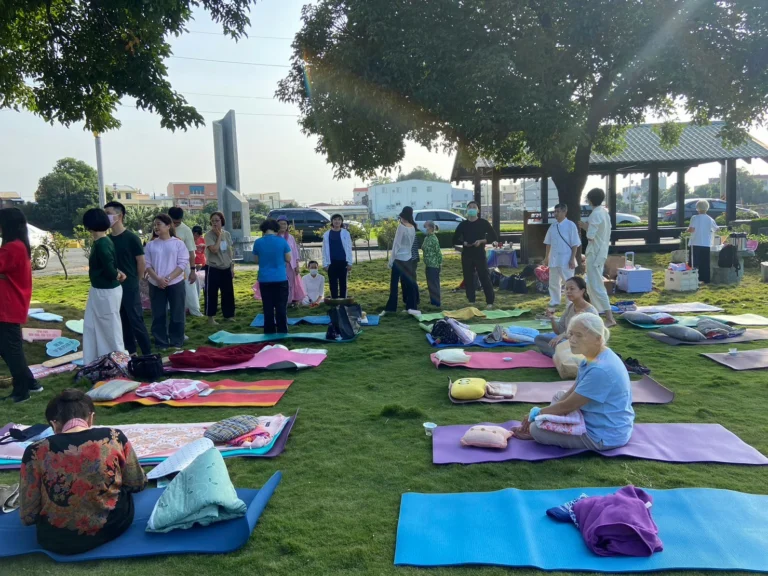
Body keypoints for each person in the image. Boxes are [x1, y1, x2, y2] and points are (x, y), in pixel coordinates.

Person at [19, 389, 146, 555]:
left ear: (54, 424)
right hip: (113, 526)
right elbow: (137, 483)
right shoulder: (113, 437)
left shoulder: (35, 451)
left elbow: (28, 514)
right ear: (91, 417)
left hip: (56, 539)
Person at [514, 312, 634, 450]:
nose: (572, 340)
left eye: (579, 335)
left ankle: (537, 431)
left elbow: (568, 406)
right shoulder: (592, 356)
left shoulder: (601, 370)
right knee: (560, 396)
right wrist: (544, 416)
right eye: (570, 334)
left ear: (598, 338)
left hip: (603, 435)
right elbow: (573, 390)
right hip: (600, 420)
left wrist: (536, 415)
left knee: (536, 429)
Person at [0, 208, 43, 403]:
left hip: (7, 306)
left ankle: (21, 390)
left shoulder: (13, 248)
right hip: (9, 304)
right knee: (8, 348)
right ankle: (30, 382)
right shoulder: (17, 246)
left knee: (11, 349)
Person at [104, 202, 152, 357]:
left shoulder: (131, 238)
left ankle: (147, 354)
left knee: (136, 320)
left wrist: (135, 282)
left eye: (109, 213)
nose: (106, 217)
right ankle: (131, 353)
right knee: (121, 322)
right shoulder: (107, 239)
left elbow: (141, 262)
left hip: (130, 286)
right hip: (113, 287)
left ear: (119, 216)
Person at [82, 208, 126, 364]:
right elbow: (109, 265)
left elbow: (108, 267)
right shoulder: (102, 241)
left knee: (110, 328)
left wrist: (116, 274)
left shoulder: (102, 243)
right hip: (101, 289)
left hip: (106, 291)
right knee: (93, 325)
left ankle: (117, 361)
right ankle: (98, 359)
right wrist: (118, 273)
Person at [143, 214, 189, 350]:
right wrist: (158, 279)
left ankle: (176, 341)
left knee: (177, 313)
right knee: (158, 313)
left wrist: (168, 278)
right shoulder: (151, 245)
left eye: (159, 224)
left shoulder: (178, 243)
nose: (156, 227)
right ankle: (161, 342)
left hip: (175, 283)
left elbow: (182, 264)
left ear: (168, 226)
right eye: (155, 224)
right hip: (156, 283)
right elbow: (147, 264)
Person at [578, 188, 616, 327]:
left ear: (590, 199)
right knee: (592, 285)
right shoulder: (604, 212)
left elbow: (590, 235)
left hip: (595, 252)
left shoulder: (595, 214)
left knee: (596, 285)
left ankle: (610, 318)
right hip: (601, 251)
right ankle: (595, 314)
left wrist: (584, 226)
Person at [534, 276, 598, 357]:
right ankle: (562, 356)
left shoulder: (590, 311)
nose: (568, 292)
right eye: (566, 289)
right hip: (567, 342)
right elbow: (559, 331)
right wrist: (552, 318)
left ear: (582, 291)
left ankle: (562, 356)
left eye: (572, 289)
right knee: (539, 338)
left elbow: (588, 336)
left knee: (560, 344)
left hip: (581, 344)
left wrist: (564, 335)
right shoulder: (571, 307)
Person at [453, 201, 496, 308]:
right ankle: (471, 300)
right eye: (470, 207)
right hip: (467, 254)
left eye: (474, 207)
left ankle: (490, 302)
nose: (472, 209)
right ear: (467, 210)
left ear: (478, 210)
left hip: (479, 253)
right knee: (468, 278)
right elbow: (454, 239)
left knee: (484, 276)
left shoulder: (483, 223)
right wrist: (464, 243)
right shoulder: (463, 224)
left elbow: (494, 237)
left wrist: (482, 241)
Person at [252, 219, 292, 334]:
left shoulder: (258, 242)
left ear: (263, 229)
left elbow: (256, 259)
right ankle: (282, 330)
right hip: (280, 278)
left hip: (265, 279)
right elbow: (288, 258)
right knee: (281, 307)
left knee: (267, 307)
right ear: (276, 228)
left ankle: (269, 331)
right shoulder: (282, 241)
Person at [543, 203, 580, 309]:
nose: (556, 214)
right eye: (555, 211)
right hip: (554, 258)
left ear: (564, 212)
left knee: (568, 281)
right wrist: (547, 257)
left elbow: (575, 244)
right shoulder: (553, 226)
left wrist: (572, 258)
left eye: (558, 211)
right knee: (553, 282)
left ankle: (570, 302)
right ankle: (554, 300)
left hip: (566, 258)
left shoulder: (570, 225)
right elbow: (548, 243)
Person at [168, 207, 202, 317]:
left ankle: (193, 309)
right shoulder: (162, 228)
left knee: (189, 287)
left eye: (178, 222)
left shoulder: (186, 230)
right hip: (167, 265)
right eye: (174, 222)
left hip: (184, 265)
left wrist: (193, 270)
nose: (176, 225)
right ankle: (172, 309)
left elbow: (191, 251)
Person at [384, 206, 418, 314]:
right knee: (410, 284)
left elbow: (396, 245)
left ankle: (391, 308)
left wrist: (390, 261)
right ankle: (412, 307)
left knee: (394, 285)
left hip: (398, 259)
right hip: (408, 259)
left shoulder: (401, 227)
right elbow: (411, 244)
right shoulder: (412, 227)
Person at [204, 211, 235, 325]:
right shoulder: (208, 235)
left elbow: (229, 250)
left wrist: (232, 266)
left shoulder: (227, 234)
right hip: (213, 267)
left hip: (226, 267)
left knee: (228, 293)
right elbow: (214, 249)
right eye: (212, 221)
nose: (215, 223)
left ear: (222, 221)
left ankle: (229, 315)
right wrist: (219, 237)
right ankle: (211, 318)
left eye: (217, 220)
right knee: (211, 293)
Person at [687, 199, 719, 283]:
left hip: (695, 242)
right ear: (707, 208)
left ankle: (692, 279)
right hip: (706, 243)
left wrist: (687, 230)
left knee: (693, 262)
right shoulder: (710, 219)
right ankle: (705, 279)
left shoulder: (694, 218)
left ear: (697, 208)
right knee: (705, 263)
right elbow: (716, 229)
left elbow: (691, 229)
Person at [321, 214, 353, 298]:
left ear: (341, 221)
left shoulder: (345, 233)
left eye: (339, 219)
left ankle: (343, 301)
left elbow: (349, 248)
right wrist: (325, 264)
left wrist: (349, 263)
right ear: (332, 221)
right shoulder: (327, 234)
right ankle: (334, 302)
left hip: (343, 262)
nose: (337, 221)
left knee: (343, 283)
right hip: (331, 262)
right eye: (335, 219)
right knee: (333, 283)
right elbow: (324, 250)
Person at [277, 216, 306, 306]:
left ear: (287, 226)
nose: (283, 226)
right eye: (280, 224)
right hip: (279, 265)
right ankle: (280, 301)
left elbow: (295, 252)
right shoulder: (275, 237)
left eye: (284, 224)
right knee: (280, 284)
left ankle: (289, 301)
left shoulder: (291, 237)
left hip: (290, 265)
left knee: (291, 284)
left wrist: (297, 265)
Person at [422, 220, 443, 307]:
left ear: (431, 228)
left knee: (434, 284)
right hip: (428, 264)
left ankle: (436, 302)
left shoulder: (434, 239)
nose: (425, 228)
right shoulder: (427, 238)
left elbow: (438, 252)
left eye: (426, 227)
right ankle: (433, 301)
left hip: (434, 265)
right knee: (430, 284)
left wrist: (440, 264)